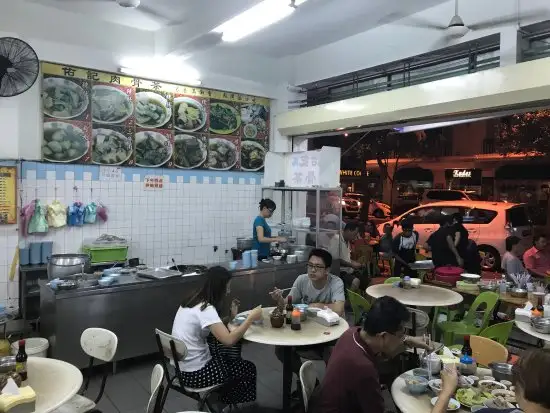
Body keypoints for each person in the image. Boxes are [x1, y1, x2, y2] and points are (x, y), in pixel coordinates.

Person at [315, 296, 433, 413]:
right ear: (383, 336)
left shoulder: (352, 333)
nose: (401, 339)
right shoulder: (363, 368)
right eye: (400, 335)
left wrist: (408, 341)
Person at [171, 266, 262, 407]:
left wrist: (231, 317)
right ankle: (221, 403)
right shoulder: (206, 309)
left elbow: (212, 326)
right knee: (247, 368)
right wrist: (250, 318)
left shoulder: (192, 300)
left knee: (227, 354)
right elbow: (229, 340)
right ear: (219, 288)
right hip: (196, 375)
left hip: (181, 370)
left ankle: (217, 398)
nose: (229, 291)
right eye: (227, 287)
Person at [270, 249, 345, 377]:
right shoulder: (302, 280)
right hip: (307, 332)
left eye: (318, 267)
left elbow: (339, 309)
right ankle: (307, 380)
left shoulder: (335, 283)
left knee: (332, 354)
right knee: (281, 349)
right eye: (310, 265)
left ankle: (330, 388)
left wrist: (317, 305)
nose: (312, 270)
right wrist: (279, 300)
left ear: (327, 270)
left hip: (330, 334)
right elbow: (288, 305)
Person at [327, 222, 365, 291]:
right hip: (339, 271)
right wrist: (351, 265)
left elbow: (346, 258)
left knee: (367, 280)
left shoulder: (347, 240)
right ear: (349, 230)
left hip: (348, 270)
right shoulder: (336, 240)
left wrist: (354, 263)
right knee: (355, 282)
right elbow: (335, 260)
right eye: (354, 234)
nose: (355, 237)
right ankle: (347, 300)